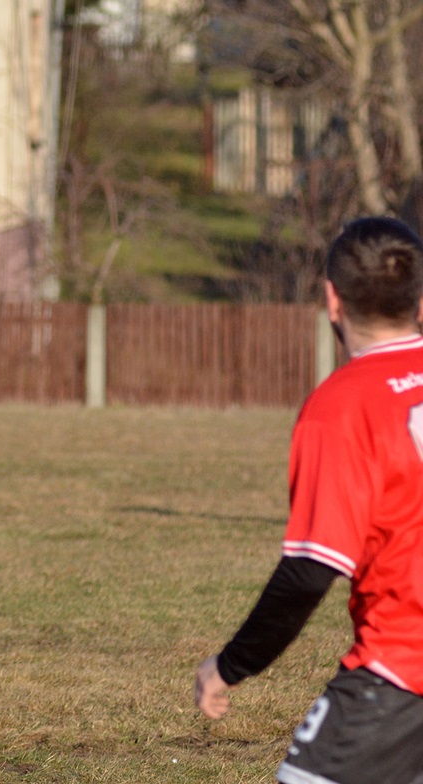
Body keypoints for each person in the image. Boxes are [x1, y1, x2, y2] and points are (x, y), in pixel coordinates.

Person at [194, 216, 423, 784]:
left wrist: (229, 667)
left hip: (401, 673)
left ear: (332, 300)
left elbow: (308, 571)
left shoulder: (341, 408)